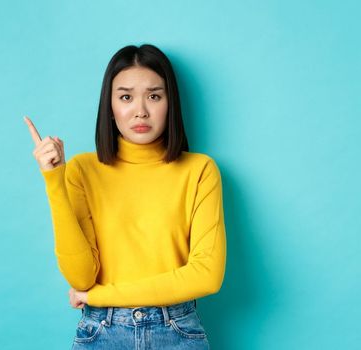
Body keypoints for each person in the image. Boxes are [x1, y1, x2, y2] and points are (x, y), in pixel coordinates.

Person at [23, 44, 226, 349]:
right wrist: (54, 180)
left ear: (170, 103)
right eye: (126, 97)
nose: (141, 110)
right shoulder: (82, 169)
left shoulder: (199, 170)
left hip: (177, 331)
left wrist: (98, 297)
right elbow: (81, 277)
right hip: (102, 332)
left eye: (154, 96)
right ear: (110, 105)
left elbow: (206, 276)